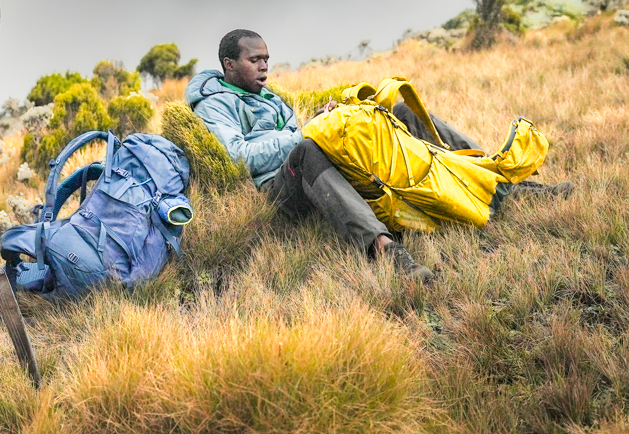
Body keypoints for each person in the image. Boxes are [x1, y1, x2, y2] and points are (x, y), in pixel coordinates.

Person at [186, 29, 571, 283]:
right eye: (255, 60)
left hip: (308, 165)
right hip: (279, 189)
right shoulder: (214, 104)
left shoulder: (269, 96)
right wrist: (306, 132)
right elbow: (238, 156)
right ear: (229, 65)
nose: (265, 66)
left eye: (267, 58)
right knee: (307, 148)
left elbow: (294, 132)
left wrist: (326, 119)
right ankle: (385, 251)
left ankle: (496, 182)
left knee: (394, 115)